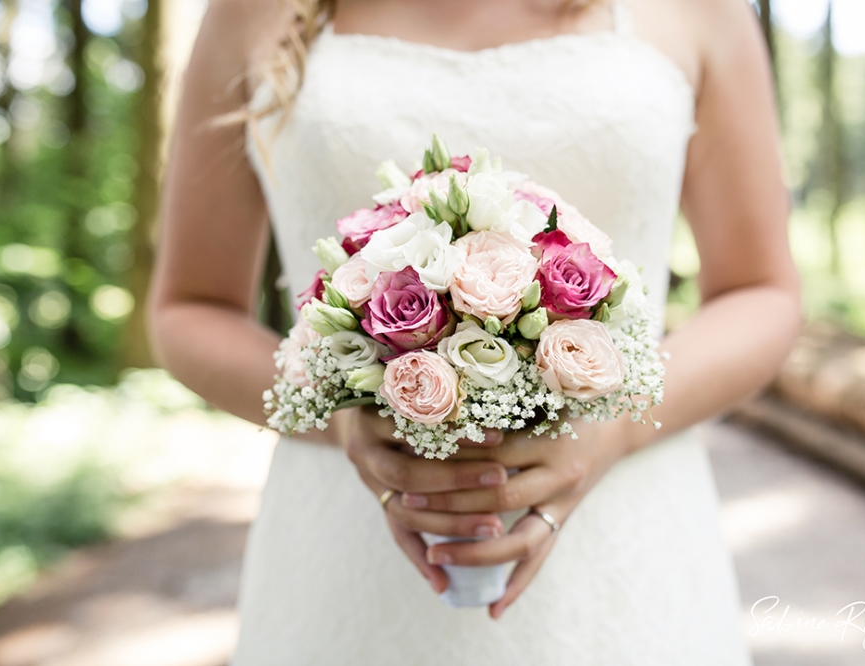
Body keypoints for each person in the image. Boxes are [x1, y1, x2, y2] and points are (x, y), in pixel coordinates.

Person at [148, 0, 800, 662]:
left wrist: (616, 425)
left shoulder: (702, 11)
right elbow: (190, 307)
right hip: (341, 560)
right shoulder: (249, 12)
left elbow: (761, 293)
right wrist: (343, 419)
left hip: (625, 554)